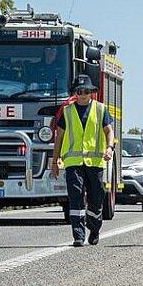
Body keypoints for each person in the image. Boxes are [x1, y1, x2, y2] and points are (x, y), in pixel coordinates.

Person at [52, 75, 115, 247]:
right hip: (73, 163)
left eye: (86, 91)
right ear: (76, 93)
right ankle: (78, 235)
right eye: (80, 91)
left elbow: (109, 131)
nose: (83, 94)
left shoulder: (101, 110)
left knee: (96, 199)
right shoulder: (67, 112)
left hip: (95, 163)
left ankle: (94, 228)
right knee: (75, 198)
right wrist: (54, 161)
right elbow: (59, 137)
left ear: (92, 92)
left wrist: (110, 148)